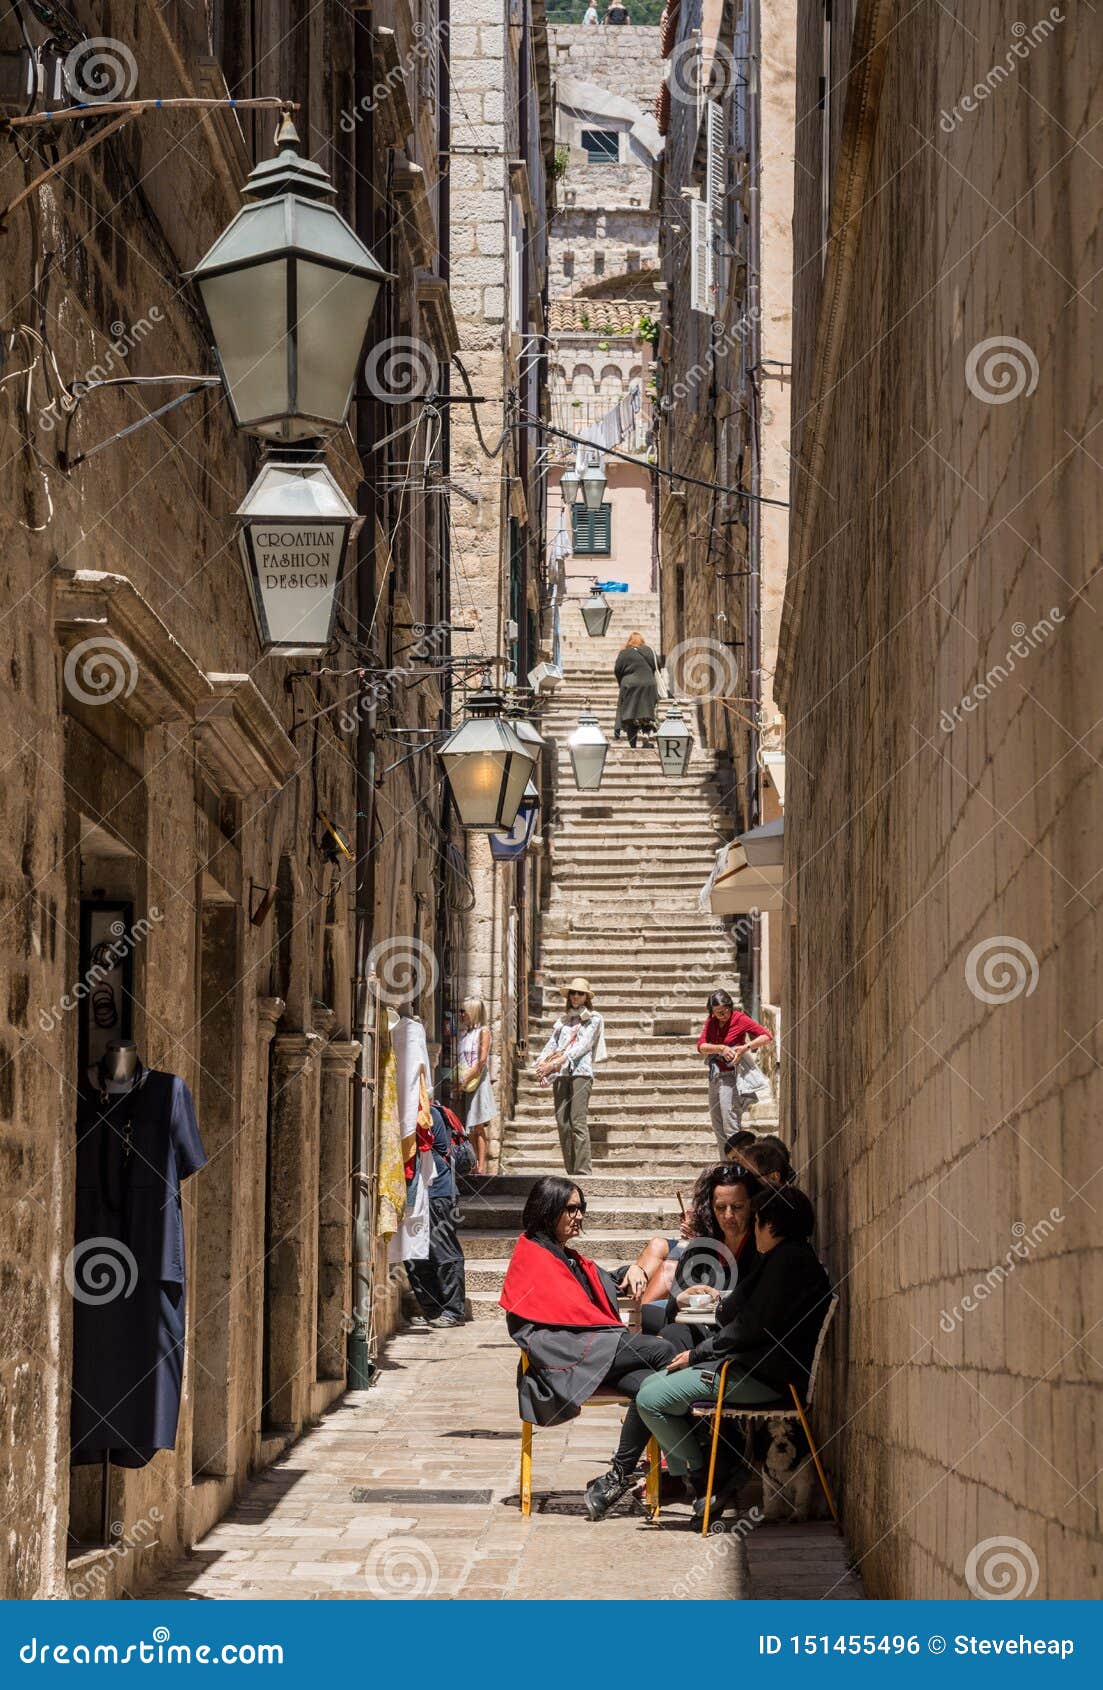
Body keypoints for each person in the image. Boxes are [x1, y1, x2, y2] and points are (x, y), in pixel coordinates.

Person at [634, 1186, 832, 1516]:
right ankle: (706, 1477)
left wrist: (698, 1355)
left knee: (650, 1399)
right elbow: (732, 1311)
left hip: (765, 1377)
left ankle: (704, 1479)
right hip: (753, 1368)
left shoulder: (788, 1263)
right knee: (649, 1387)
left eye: (754, 1220)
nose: (750, 1227)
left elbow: (748, 1328)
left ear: (769, 1224)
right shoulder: (781, 1258)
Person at [499, 1175, 676, 1521]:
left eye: (581, 1209)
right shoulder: (533, 1256)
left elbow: (600, 1282)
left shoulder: (565, 1256)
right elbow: (535, 1323)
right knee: (664, 1352)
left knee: (648, 1387)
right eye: (571, 1209)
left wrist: (635, 1270)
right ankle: (692, 1469)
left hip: (595, 1348)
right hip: (569, 1356)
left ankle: (615, 1478)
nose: (579, 1216)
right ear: (548, 1210)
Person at [636, 1163, 762, 1334]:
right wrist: (684, 1297)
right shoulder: (700, 1247)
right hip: (698, 1330)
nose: (728, 1216)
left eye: (738, 1207)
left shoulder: (761, 1247)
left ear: (752, 1206)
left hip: (739, 1333)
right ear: (710, 1208)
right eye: (720, 1207)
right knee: (668, 1331)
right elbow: (673, 1307)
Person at [404, 1101, 467, 1328]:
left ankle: (453, 1310)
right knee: (413, 1253)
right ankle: (432, 1309)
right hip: (417, 1193)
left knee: (443, 1250)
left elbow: (425, 1146)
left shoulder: (427, 1113)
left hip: (438, 1192)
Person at [534, 976, 603, 1176]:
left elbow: (583, 1046)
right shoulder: (563, 1021)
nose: (575, 996)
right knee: (563, 1122)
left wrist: (556, 1063)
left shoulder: (594, 1019)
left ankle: (583, 1171)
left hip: (581, 1072)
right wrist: (541, 1063)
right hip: (562, 1073)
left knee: (577, 1120)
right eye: (573, 993)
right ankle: (571, 1169)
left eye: (580, 993)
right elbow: (552, 1044)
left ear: (586, 997)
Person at [697, 989, 772, 1155]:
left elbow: (766, 1036)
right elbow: (701, 1046)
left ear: (730, 1007)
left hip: (732, 1077)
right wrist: (721, 1048)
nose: (721, 1015)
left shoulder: (740, 1018)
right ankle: (726, 1167)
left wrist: (746, 1047)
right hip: (715, 1077)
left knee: (731, 1128)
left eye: (724, 1011)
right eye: (717, 1013)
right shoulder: (711, 1021)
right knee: (718, 1126)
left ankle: (738, 1168)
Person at [456, 997, 494, 1175]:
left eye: (464, 1011)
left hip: (477, 1081)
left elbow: (482, 1060)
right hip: (465, 1081)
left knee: (478, 1125)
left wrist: (465, 1078)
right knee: (468, 1126)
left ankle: (481, 1166)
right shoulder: (465, 1034)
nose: (461, 1014)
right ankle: (472, 1164)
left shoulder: (483, 1032)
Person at [613, 631, 663, 748]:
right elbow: (659, 665)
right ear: (642, 641)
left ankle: (633, 744)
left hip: (630, 686)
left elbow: (617, 670)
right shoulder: (650, 651)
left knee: (631, 715)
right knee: (646, 713)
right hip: (649, 686)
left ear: (629, 641)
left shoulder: (624, 653)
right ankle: (646, 735)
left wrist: (622, 682)